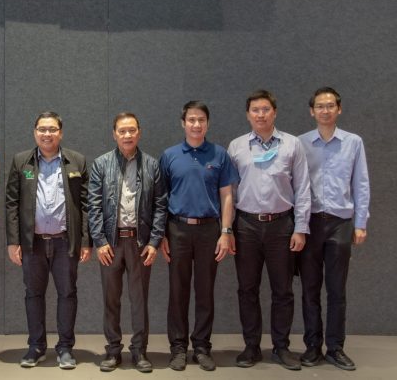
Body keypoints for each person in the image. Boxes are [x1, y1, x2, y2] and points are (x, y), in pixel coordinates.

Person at [227, 90, 311, 370]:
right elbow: (229, 193)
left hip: (282, 226)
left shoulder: (292, 144)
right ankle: (251, 346)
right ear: (248, 114)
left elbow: (303, 188)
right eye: (255, 110)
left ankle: (281, 347)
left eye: (265, 109)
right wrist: (228, 230)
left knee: (283, 290)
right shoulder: (236, 147)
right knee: (247, 289)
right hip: (246, 226)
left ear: (274, 112)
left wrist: (301, 228)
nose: (260, 114)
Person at [5, 111, 91, 369]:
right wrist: (13, 241)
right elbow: (11, 203)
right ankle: (36, 346)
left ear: (60, 133)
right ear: (35, 133)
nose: (47, 134)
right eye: (42, 129)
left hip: (66, 242)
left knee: (68, 293)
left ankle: (65, 348)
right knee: (33, 294)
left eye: (52, 129)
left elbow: (86, 204)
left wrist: (86, 241)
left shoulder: (76, 161)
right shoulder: (21, 161)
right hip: (33, 243)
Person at [159, 101, 239, 372]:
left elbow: (227, 196)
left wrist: (226, 232)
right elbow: (160, 199)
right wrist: (162, 235)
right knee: (177, 291)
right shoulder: (169, 155)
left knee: (205, 291)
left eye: (201, 120)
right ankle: (178, 348)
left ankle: (202, 347)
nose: (196, 124)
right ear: (183, 123)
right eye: (191, 120)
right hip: (177, 229)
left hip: (209, 230)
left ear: (208, 123)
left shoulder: (219, 154)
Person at [88, 112, 167, 373]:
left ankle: (139, 350)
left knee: (139, 299)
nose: (127, 135)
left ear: (139, 133)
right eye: (122, 131)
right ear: (114, 134)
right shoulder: (101, 164)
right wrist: (99, 240)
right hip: (110, 243)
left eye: (132, 130)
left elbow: (160, 206)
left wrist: (154, 241)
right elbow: (94, 205)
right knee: (111, 299)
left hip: (140, 243)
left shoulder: (152, 165)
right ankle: (113, 350)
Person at [298, 87, 369, 371]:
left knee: (337, 290)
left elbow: (361, 183)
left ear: (339, 109)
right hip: (310, 223)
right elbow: (295, 185)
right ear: (311, 111)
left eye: (330, 105)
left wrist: (360, 223)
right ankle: (312, 346)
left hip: (340, 222)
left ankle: (336, 347)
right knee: (309, 288)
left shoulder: (353, 142)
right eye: (320, 106)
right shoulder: (301, 143)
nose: (325, 110)